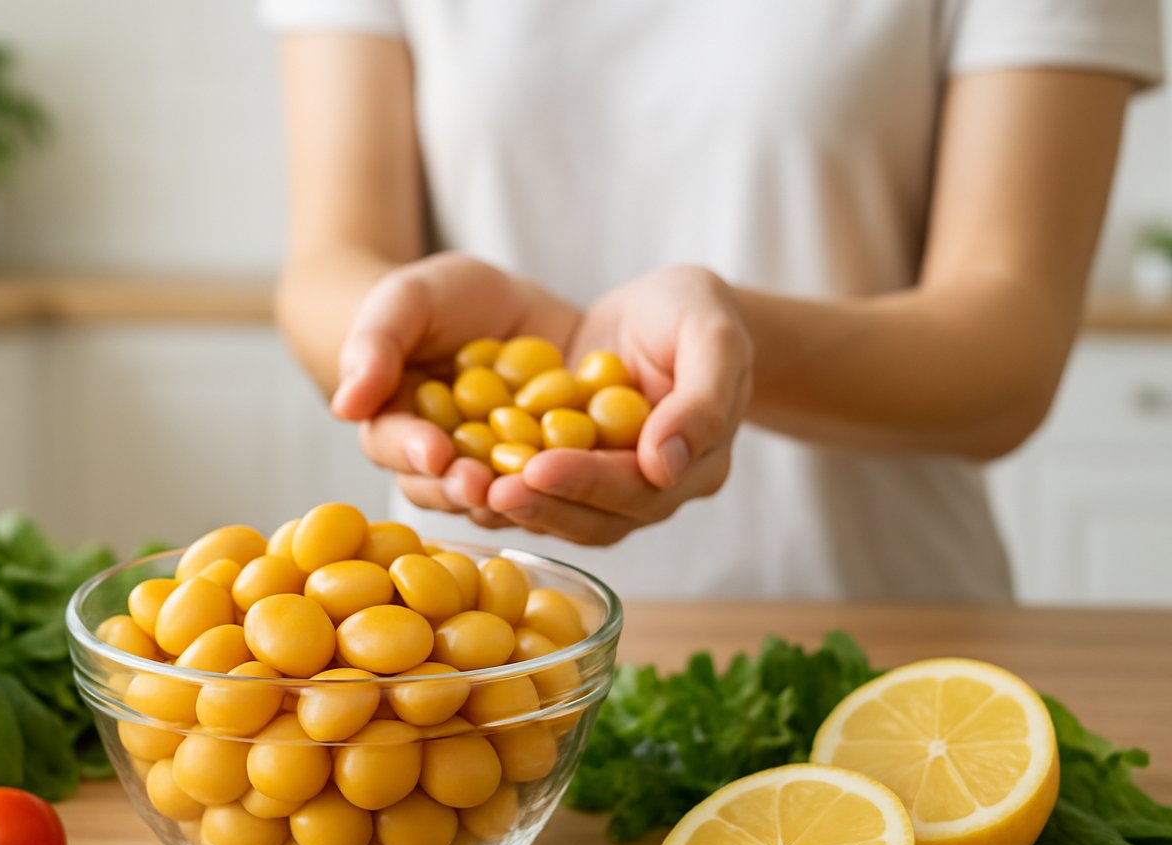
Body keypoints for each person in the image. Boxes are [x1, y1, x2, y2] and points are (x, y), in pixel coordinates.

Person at [262, 0, 1163, 600]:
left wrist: (735, 347)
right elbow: (329, 264)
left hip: (880, 638)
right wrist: (395, 344)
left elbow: (1009, 348)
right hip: (469, 656)